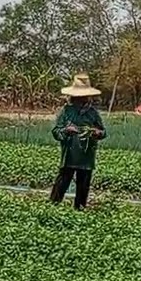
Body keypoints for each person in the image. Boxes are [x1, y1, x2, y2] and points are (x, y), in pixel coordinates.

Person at [49, 73, 106, 210]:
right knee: (61, 184)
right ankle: (52, 208)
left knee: (83, 188)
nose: (81, 100)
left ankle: (79, 210)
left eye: (83, 97)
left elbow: (103, 132)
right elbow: (56, 132)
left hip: (86, 158)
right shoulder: (67, 112)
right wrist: (66, 130)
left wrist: (96, 133)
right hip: (69, 156)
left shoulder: (93, 113)